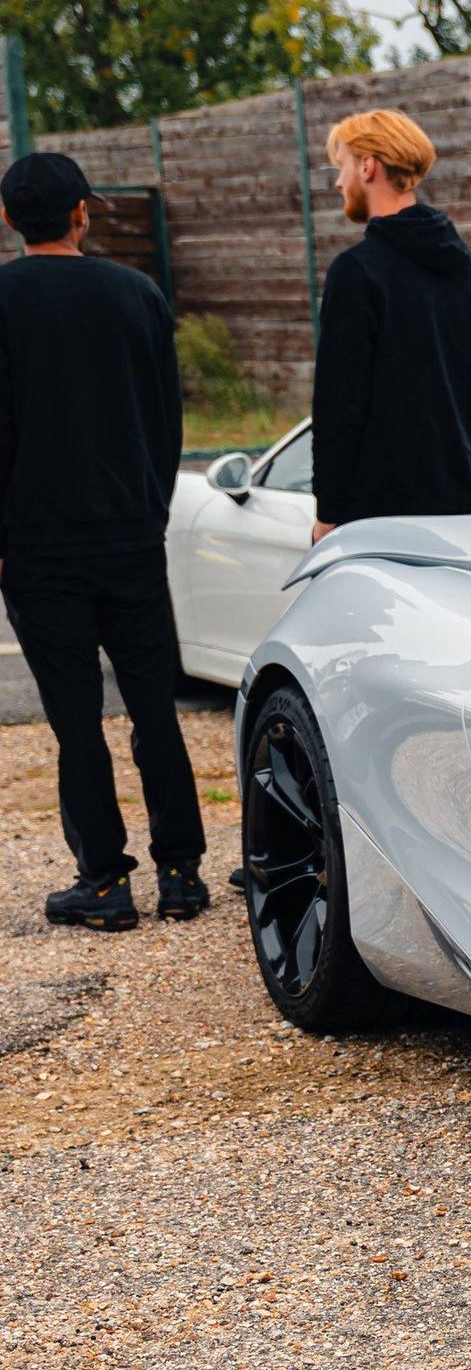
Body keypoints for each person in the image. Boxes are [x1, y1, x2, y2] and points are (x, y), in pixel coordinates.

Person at [0, 152, 208, 930]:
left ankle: (103, 882)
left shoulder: (4, 298)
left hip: (38, 546)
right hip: (130, 536)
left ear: (9, 218)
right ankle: (182, 872)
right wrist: (149, 509)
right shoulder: (139, 294)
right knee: (155, 705)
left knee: (76, 717)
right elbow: (165, 422)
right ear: (84, 212)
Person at [307, 108, 471, 543]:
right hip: (463, 517)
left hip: (376, 523)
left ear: (367, 166)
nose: (339, 183)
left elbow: (340, 407)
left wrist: (329, 514)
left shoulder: (357, 274)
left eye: (342, 167)